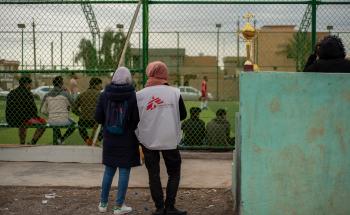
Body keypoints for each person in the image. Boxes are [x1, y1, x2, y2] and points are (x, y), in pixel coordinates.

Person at [136, 61, 187, 215]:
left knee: (154, 174)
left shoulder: (139, 95)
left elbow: (134, 117)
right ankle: (170, 206)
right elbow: (183, 115)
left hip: (147, 138)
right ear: (165, 74)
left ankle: (159, 208)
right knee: (174, 172)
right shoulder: (174, 93)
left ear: (149, 73)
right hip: (170, 138)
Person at [95, 67, 140, 215]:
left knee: (109, 170)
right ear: (128, 78)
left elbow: (98, 118)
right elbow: (135, 119)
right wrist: (127, 128)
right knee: (124, 171)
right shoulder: (132, 94)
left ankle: (103, 203)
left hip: (109, 138)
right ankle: (119, 206)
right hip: (126, 138)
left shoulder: (104, 94)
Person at [5, 76, 46, 145]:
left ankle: (22, 143)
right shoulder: (28, 93)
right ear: (26, 84)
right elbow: (34, 110)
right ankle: (32, 142)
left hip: (11, 119)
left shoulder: (11, 93)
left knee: (23, 120)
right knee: (43, 123)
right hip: (23, 119)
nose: (31, 86)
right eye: (30, 84)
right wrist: (34, 117)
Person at [41, 76, 75, 145]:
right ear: (61, 84)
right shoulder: (65, 94)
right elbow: (73, 105)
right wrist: (67, 92)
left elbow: (42, 110)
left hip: (51, 120)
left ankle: (59, 140)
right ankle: (62, 139)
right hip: (63, 119)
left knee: (55, 121)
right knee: (74, 125)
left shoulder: (47, 94)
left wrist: (50, 113)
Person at [73, 77, 103, 145]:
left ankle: (87, 140)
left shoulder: (82, 94)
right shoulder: (101, 95)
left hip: (84, 120)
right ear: (95, 85)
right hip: (96, 121)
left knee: (80, 123)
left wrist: (80, 114)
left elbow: (74, 109)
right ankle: (96, 141)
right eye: (100, 84)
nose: (101, 86)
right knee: (105, 125)